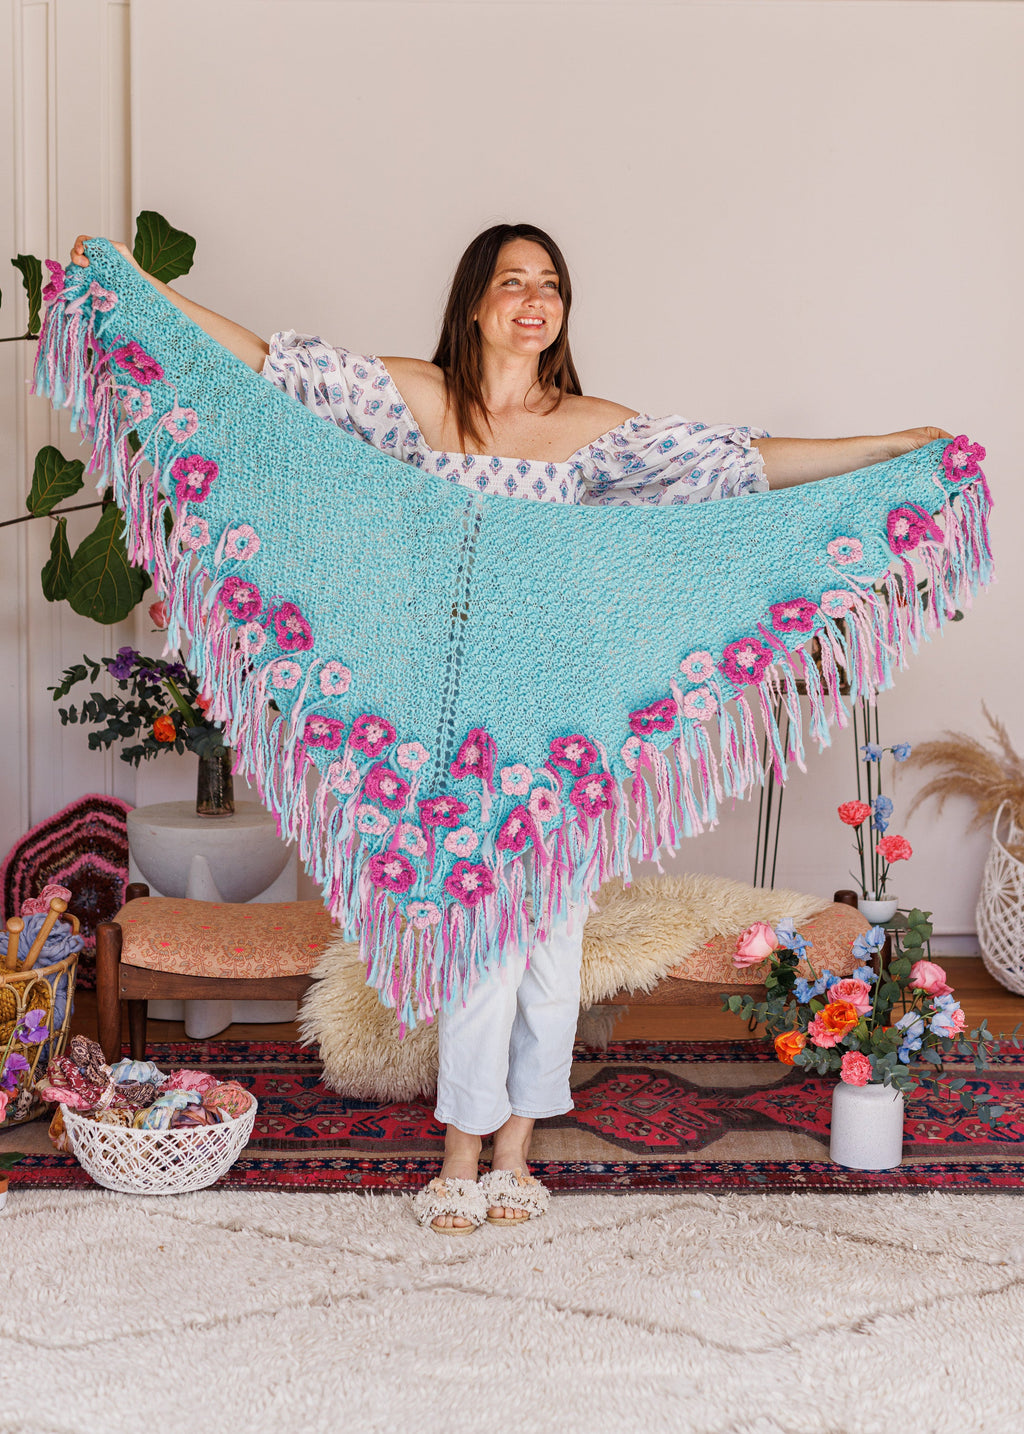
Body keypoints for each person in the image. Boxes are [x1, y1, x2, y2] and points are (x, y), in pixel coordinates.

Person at [69, 223, 950, 1233]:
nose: (534, 300)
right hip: (448, 723)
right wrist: (139, 288)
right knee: (477, 939)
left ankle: (517, 1151)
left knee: (550, 945)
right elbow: (270, 370)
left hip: (562, 715)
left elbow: (739, 467)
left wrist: (883, 450)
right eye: (512, 282)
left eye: (551, 285)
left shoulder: (592, 430)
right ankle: (459, 1151)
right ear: (476, 301)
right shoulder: (419, 401)